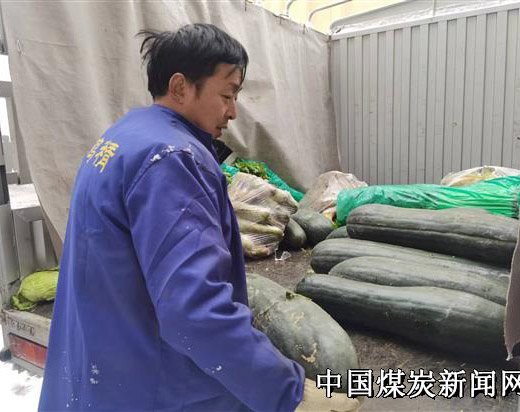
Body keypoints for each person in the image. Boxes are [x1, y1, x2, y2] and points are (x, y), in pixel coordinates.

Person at [38, 23, 359, 411]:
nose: (233, 111)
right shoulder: (173, 159)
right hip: (151, 385)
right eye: (227, 95)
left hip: (105, 364)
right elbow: (193, 309)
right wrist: (287, 393)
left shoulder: (125, 134)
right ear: (180, 87)